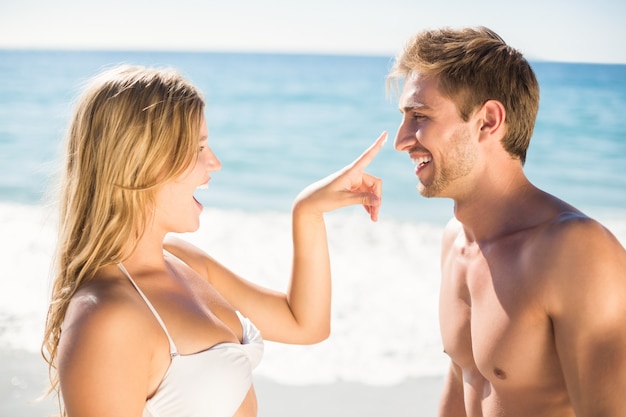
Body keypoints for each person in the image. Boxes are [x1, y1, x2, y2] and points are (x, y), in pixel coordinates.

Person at [41, 64, 386, 417]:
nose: (215, 163)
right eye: (197, 148)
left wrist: (308, 213)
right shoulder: (105, 319)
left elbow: (305, 324)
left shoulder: (182, 261)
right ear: (141, 162)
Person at [388, 26, 626, 416]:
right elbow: (460, 387)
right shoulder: (457, 241)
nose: (401, 139)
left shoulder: (576, 252)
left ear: (488, 121)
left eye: (419, 116)